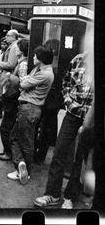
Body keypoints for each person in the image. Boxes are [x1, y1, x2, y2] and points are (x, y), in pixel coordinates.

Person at [34, 45, 93, 208]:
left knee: (80, 158)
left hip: (92, 117)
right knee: (59, 152)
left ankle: (70, 196)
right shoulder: (78, 59)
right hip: (73, 113)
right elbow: (66, 83)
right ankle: (52, 194)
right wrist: (68, 102)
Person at [7, 45, 54, 185]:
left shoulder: (45, 73)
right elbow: (25, 81)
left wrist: (15, 79)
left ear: (41, 58)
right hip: (27, 108)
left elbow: (23, 83)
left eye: (35, 56)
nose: (33, 58)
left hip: (30, 108)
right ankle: (20, 163)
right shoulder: (38, 69)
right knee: (14, 137)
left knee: (26, 142)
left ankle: (24, 169)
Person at [0, 39, 29, 162]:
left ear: (22, 50)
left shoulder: (22, 65)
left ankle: (9, 152)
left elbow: (22, 83)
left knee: (6, 127)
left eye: (18, 47)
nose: (15, 49)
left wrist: (9, 77)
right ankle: (7, 150)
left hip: (14, 98)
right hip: (13, 97)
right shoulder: (21, 62)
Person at [0, 30, 20, 119]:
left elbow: (11, 64)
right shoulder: (12, 46)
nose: (6, 37)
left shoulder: (13, 47)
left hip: (8, 77)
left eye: (8, 35)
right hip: (8, 76)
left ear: (13, 37)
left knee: (5, 100)